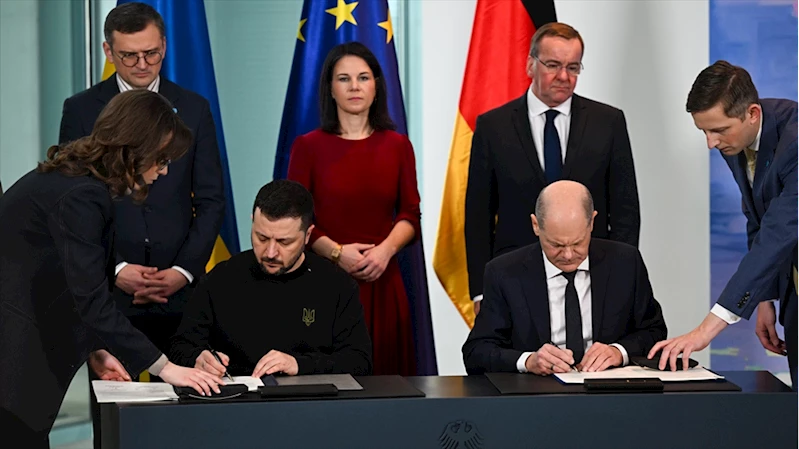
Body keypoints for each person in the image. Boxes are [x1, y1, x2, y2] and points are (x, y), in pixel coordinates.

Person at [0, 90, 223, 448]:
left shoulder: (75, 181)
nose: (164, 170)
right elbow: (91, 299)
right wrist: (166, 368)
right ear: (136, 148)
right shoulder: (81, 196)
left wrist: (97, 350)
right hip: (12, 364)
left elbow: (69, 282)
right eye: (162, 159)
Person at [58, 4, 225, 445]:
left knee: (188, 419)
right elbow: (72, 203)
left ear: (165, 46)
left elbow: (211, 200)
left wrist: (183, 271)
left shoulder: (194, 107)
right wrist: (115, 268)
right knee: (116, 425)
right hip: (110, 295)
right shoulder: (80, 110)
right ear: (107, 51)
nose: (141, 64)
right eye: (128, 55)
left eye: (151, 53)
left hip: (180, 293)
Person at [465, 22, 640, 315]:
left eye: (573, 67)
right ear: (530, 65)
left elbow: (625, 210)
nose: (563, 76)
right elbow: (478, 216)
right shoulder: (493, 126)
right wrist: (481, 290)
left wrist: (622, 275)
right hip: (514, 278)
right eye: (553, 65)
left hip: (592, 273)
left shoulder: (608, 122)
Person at [649, 61, 798, 389]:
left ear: (752, 114)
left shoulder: (796, 142)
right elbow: (757, 216)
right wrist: (764, 298)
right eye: (704, 131)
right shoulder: (736, 140)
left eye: (718, 130)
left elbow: (778, 233)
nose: (711, 143)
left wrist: (706, 331)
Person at [287, 42, 421, 376]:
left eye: (363, 77)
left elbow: (410, 214)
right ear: (330, 89)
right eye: (344, 79)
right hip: (324, 283)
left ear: (376, 85)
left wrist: (384, 252)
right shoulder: (308, 147)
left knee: (388, 384)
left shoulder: (398, 146)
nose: (354, 86)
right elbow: (295, 220)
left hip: (382, 281)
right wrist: (336, 253)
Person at [169, 180, 372, 377]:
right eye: (262, 238)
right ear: (252, 222)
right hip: (237, 396)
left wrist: (299, 364)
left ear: (308, 235)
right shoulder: (221, 278)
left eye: (284, 242)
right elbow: (180, 347)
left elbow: (359, 361)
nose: (271, 252)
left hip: (309, 397)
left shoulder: (337, 285)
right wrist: (198, 358)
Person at [463, 181, 666, 375]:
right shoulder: (504, 272)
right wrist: (528, 361)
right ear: (536, 225)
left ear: (592, 222)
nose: (568, 255)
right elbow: (476, 352)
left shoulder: (625, 263)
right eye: (556, 245)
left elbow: (654, 331)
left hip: (607, 389)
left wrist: (618, 352)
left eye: (578, 243)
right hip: (537, 391)